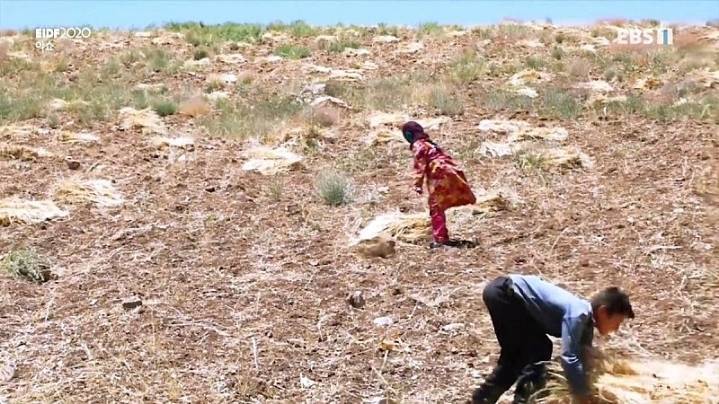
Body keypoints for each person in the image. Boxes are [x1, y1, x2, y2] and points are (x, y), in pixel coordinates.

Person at [471, 274, 635, 404]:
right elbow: (570, 358)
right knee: (535, 351)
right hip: (505, 293)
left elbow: (584, 356)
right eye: (618, 322)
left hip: (506, 295)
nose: (616, 328)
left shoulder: (585, 324)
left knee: (520, 357)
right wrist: (583, 395)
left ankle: (482, 400)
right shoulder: (579, 314)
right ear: (603, 312)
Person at [402, 121, 476, 248]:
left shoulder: (418, 145)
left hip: (439, 173)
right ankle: (441, 236)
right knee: (442, 202)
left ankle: (440, 238)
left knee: (436, 206)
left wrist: (417, 184)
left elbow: (420, 166)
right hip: (450, 171)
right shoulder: (430, 144)